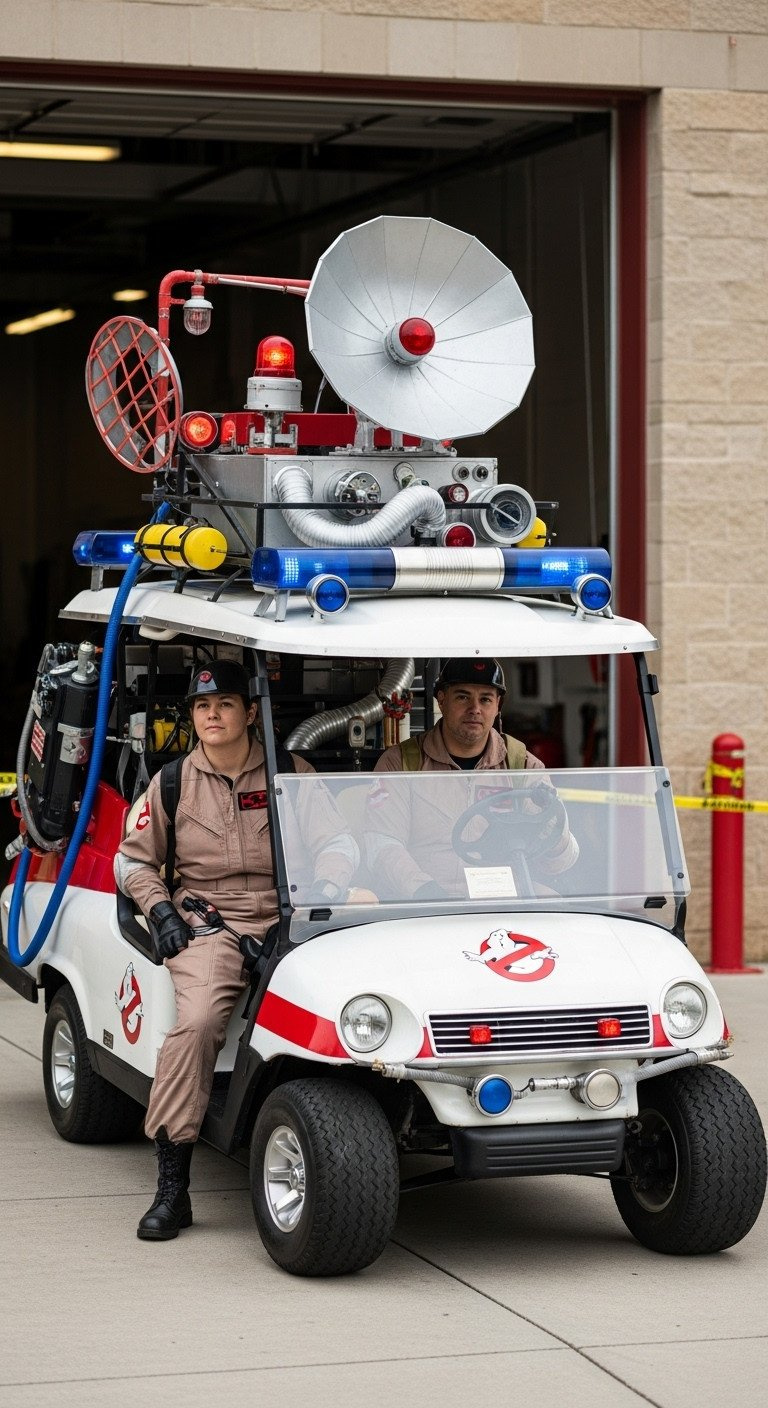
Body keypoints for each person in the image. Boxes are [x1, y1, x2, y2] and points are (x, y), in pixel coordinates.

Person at [115, 659, 358, 1242]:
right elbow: (132, 862)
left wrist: (320, 894)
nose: (212, 716)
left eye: (224, 704)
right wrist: (162, 912)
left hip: (288, 914)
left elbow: (340, 842)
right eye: (202, 707)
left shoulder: (289, 773)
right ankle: (173, 1187)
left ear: (250, 712)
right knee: (196, 1023)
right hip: (209, 921)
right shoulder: (171, 782)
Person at [367, 657, 578, 898]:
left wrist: (553, 828)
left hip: (503, 903)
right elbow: (382, 845)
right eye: (463, 697)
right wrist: (424, 890)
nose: (475, 708)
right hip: (426, 905)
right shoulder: (401, 763)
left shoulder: (521, 765)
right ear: (442, 700)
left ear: (498, 705)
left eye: (485, 699)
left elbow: (560, 862)